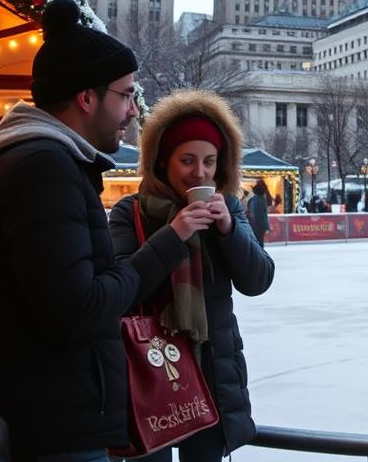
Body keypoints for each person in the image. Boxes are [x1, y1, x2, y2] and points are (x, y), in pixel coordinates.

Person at [0, 0, 142, 460]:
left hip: (42, 414)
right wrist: (139, 266)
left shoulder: (34, 161)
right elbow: (77, 309)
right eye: (126, 94)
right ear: (87, 97)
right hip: (55, 428)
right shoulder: (45, 169)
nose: (133, 110)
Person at [109, 89, 275, 460]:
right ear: (163, 161)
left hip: (214, 374)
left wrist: (229, 230)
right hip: (152, 374)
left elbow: (258, 279)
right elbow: (122, 288)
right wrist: (174, 235)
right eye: (187, 160)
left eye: (210, 162)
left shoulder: (229, 207)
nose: (200, 173)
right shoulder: (129, 211)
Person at [247, 178, 272, 247]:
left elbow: (255, 213)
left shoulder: (254, 200)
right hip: (259, 225)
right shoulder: (262, 200)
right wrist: (266, 226)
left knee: (256, 243)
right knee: (259, 243)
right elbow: (263, 214)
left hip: (254, 225)